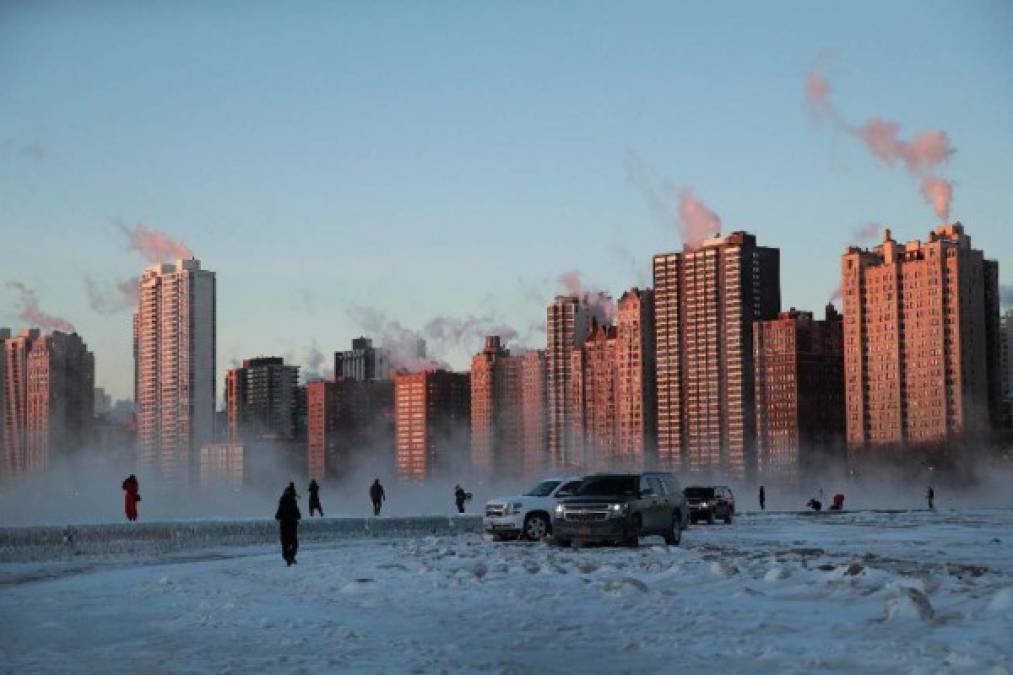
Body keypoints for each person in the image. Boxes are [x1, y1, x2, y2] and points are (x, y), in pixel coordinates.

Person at [275, 484, 301, 566]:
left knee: (285, 543)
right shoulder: (293, 501)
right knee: (294, 543)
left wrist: (279, 516)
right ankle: (291, 557)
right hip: (292, 525)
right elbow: (298, 514)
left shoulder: (282, 500)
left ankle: (288, 558)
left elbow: (278, 515)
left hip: (284, 525)